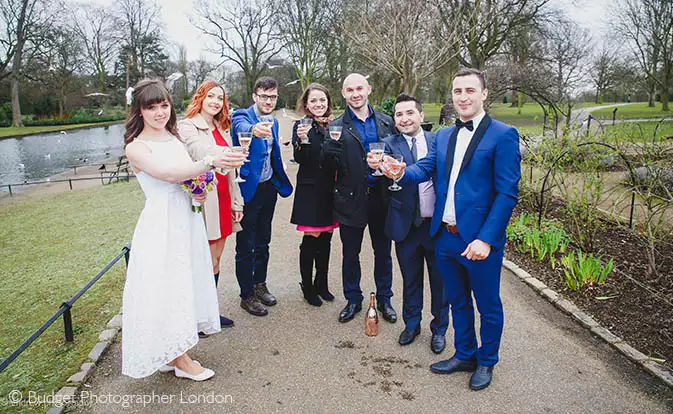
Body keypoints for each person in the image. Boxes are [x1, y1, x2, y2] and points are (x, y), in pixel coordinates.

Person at [388, 69, 521, 390]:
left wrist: (486, 239)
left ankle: (487, 361)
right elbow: (424, 168)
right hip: (444, 237)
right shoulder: (444, 135)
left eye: (469, 90)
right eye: (457, 90)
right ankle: (464, 353)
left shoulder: (503, 135)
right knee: (457, 301)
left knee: (488, 306)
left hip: (479, 242)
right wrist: (398, 171)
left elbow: (507, 193)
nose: (462, 97)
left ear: (484, 94)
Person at [122, 79, 244, 381]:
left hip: (186, 217)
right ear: (139, 110)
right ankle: (180, 358)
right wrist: (209, 161)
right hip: (161, 224)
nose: (160, 112)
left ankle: (172, 352)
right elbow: (168, 174)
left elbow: (184, 179)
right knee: (167, 285)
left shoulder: (173, 137)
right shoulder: (136, 147)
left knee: (184, 282)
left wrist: (198, 190)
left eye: (164, 105)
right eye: (152, 107)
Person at [368, 93, 449, 353]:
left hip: (436, 227)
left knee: (441, 283)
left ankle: (439, 329)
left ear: (421, 116)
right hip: (406, 226)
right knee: (411, 280)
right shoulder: (387, 144)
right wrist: (376, 167)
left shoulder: (438, 141)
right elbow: (380, 168)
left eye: (409, 113)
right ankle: (412, 325)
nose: (404, 118)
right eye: (399, 114)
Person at [321, 73, 397, 324]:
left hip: (382, 198)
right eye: (350, 90)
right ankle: (353, 299)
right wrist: (327, 152)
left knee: (383, 253)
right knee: (350, 254)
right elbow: (326, 165)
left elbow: (398, 157)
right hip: (350, 199)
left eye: (359, 88)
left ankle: (385, 298)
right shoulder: (335, 127)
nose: (355, 94)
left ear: (369, 90)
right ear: (343, 93)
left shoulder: (387, 123)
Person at [177, 80, 244, 331]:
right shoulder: (187, 126)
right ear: (201, 98)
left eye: (220, 98)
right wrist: (229, 152)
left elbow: (231, 172)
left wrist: (238, 202)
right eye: (211, 96)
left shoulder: (221, 126)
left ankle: (209, 313)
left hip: (225, 197)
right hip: (207, 201)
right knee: (202, 261)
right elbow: (198, 151)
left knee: (216, 260)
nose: (216, 102)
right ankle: (193, 318)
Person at [231, 77, 293, 316]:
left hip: (269, 188)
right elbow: (242, 128)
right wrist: (253, 130)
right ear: (255, 96)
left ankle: (260, 285)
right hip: (248, 189)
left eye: (273, 97)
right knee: (245, 244)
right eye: (264, 96)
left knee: (263, 240)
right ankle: (246, 295)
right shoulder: (242, 116)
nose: (269, 101)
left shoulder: (275, 122)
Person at [290, 83, 338, 307]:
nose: (318, 104)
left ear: (328, 102)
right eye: (313, 101)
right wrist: (301, 141)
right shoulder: (302, 125)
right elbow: (300, 159)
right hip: (311, 190)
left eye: (322, 100)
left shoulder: (335, 125)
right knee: (312, 238)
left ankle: (322, 283)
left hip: (331, 189)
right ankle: (307, 285)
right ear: (306, 104)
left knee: (327, 238)